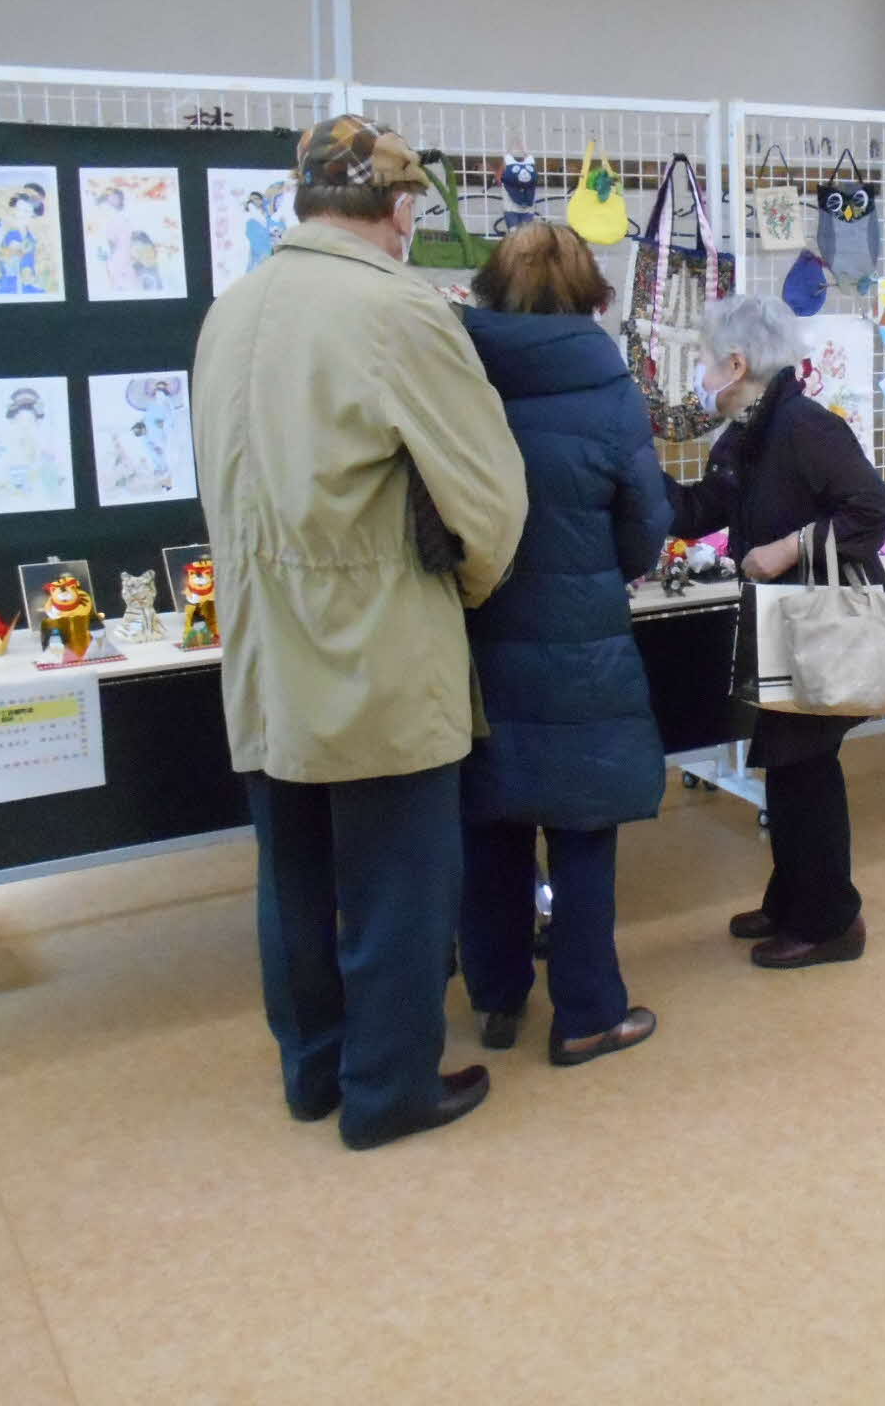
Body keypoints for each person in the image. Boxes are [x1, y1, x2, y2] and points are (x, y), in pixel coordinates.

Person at [193, 116, 527, 1150]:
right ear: (397, 207)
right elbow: (486, 498)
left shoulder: (232, 310)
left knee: (292, 872)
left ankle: (314, 1071)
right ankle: (389, 1091)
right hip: (375, 636)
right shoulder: (396, 311)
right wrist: (468, 587)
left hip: (261, 642)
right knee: (396, 882)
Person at [454, 222, 666, 1064]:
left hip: (475, 634)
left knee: (489, 823)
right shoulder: (610, 389)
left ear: (488, 288)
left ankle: (496, 1000)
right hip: (582, 644)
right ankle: (586, 1014)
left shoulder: (456, 371)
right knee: (583, 831)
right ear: (592, 296)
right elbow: (646, 526)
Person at [666, 295, 885, 968]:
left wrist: (789, 547)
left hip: (820, 622)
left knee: (805, 768)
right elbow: (703, 508)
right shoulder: (748, 434)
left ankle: (830, 922)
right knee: (789, 765)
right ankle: (793, 896)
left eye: (707, 363)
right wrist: (632, 485)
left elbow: (872, 509)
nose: (702, 376)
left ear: (737, 364)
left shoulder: (802, 426)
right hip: (781, 623)